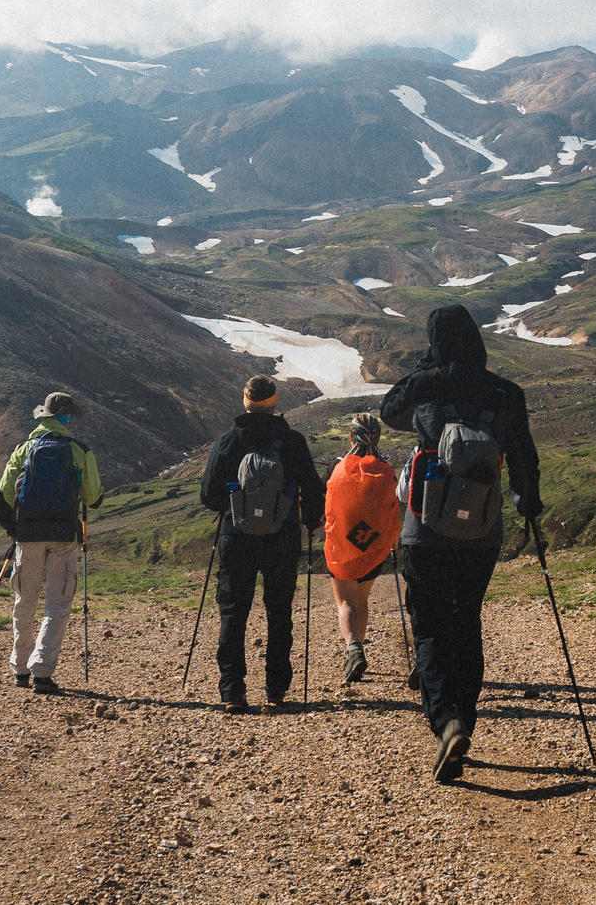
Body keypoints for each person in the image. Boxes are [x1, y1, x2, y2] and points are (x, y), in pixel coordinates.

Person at [381, 304, 542, 783]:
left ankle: (446, 720)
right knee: (466, 619)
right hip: (483, 529)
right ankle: (465, 721)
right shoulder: (504, 392)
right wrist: (527, 503)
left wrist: (426, 368)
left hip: (425, 527)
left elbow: (390, 413)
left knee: (429, 624)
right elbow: (524, 456)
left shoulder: (428, 383)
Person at [197, 374, 324, 714]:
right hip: (282, 536)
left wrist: (234, 507)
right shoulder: (293, 441)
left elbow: (208, 493)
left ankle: (233, 692)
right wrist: (311, 521)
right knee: (279, 611)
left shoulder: (228, 440)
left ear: (246, 402)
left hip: (236, 536)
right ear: (275, 402)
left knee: (234, 611)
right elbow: (313, 489)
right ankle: (276, 689)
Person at [0, 392, 103, 692]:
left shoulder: (24, 448)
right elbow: (93, 499)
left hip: (27, 536)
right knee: (56, 603)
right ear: (66, 418)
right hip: (64, 536)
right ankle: (42, 671)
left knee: (24, 601)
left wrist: (13, 530)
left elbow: (2, 494)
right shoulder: (80, 451)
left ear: (44, 416)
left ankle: (19, 669)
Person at [322, 411, 402, 684]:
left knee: (345, 601)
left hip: (341, 547)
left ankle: (353, 648)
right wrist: (393, 540)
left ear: (351, 436)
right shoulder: (386, 471)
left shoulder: (337, 469)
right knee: (362, 600)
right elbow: (393, 510)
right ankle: (358, 647)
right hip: (373, 546)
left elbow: (328, 508)